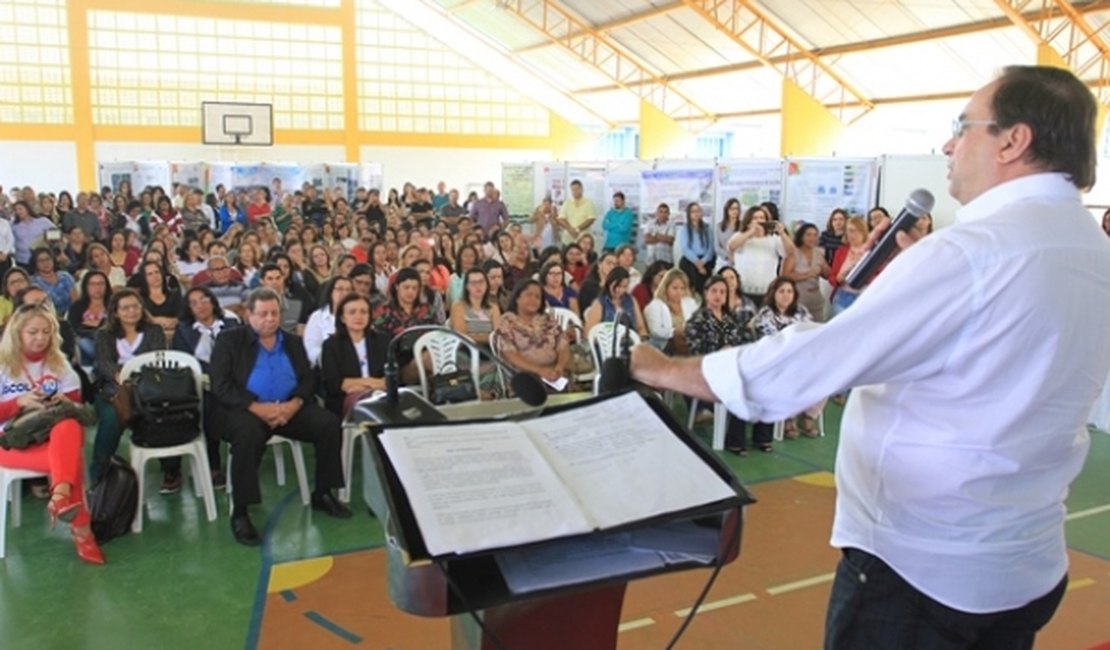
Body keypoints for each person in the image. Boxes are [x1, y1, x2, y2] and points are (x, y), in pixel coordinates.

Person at [628, 65, 1110, 648]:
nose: (948, 145)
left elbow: (815, 361)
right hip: (1021, 560)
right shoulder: (1092, 249)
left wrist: (663, 368)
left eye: (964, 126)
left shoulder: (971, 255)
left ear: (1014, 140)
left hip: (921, 571)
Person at [210, 288, 351, 546]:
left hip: (288, 408)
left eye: (274, 313)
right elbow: (221, 386)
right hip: (245, 411)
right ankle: (240, 512)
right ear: (248, 315)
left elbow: (309, 380)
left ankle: (323, 493)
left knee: (329, 424)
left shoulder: (292, 342)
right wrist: (257, 408)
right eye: (263, 314)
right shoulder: (230, 341)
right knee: (248, 435)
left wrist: (293, 404)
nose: (270, 319)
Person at [0, 304, 103, 564]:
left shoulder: (60, 365)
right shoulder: (2, 365)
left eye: (46, 332)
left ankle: (59, 497)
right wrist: (18, 403)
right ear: (17, 333)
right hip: (10, 443)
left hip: (53, 439)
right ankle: (81, 531)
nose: (40, 338)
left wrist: (62, 402)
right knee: (69, 465)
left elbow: (76, 409)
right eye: (33, 332)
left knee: (68, 425)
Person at [91, 289, 172, 486]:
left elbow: (156, 360)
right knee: (112, 416)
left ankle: (171, 468)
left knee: (162, 412)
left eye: (135, 306)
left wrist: (133, 376)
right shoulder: (104, 334)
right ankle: (99, 472)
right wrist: (120, 375)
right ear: (115, 312)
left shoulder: (154, 331)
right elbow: (104, 363)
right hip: (113, 390)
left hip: (148, 388)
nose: (131, 311)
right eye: (125, 308)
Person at [685, 275, 764, 455]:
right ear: (705, 294)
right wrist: (721, 351)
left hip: (734, 367)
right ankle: (735, 440)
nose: (718, 296)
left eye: (722, 292)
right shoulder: (696, 321)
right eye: (714, 291)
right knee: (738, 388)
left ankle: (762, 437)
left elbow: (746, 342)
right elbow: (697, 351)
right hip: (708, 371)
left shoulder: (732, 319)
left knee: (760, 384)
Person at [172, 286, 239, 488]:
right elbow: (183, 362)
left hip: (232, 382)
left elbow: (243, 353)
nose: (200, 306)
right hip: (202, 385)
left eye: (203, 299)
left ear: (212, 301)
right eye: (193, 303)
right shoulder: (184, 331)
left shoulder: (231, 323)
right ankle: (213, 465)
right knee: (209, 405)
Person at [495, 279, 569, 387]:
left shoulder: (548, 320)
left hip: (553, 372)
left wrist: (560, 366)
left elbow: (563, 346)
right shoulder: (508, 322)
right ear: (517, 298)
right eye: (528, 295)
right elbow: (510, 354)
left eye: (537, 297)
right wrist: (539, 370)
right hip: (524, 375)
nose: (533, 300)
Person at [727, 205, 794, 302]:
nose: (759, 221)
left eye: (762, 218)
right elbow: (731, 247)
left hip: (768, 291)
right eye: (755, 218)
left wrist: (782, 233)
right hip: (743, 290)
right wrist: (751, 231)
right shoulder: (740, 235)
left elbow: (790, 252)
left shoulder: (773, 238)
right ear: (748, 220)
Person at [582, 267, 647, 339]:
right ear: (609, 283)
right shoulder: (600, 303)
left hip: (629, 342)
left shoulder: (631, 300)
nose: (621, 290)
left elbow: (641, 327)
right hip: (606, 343)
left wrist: (642, 337)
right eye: (618, 286)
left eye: (624, 287)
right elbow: (588, 332)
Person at [643, 268, 697, 355]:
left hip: (689, 342)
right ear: (665, 287)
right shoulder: (655, 305)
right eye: (675, 288)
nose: (679, 292)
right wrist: (676, 332)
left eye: (682, 288)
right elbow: (656, 331)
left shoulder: (690, 302)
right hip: (665, 347)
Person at [783, 223, 831, 322]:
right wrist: (807, 275)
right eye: (808, 235)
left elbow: (827, 274)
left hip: (816, 300)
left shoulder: (819, 253)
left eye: (815, 235)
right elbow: (785, 276)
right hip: (798, 301)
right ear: (801, 236)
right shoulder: (794, 253)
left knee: (817, 331)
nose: (812, 238)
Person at [303, 276, 353, 367]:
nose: (344, 293)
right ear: (331, 292)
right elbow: (311, 349)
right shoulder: (318, 317)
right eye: (340, 289)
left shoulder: (356, 316)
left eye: (348, 290)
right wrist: (329, 360)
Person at [827, 217, 870, 317]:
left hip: (865, 297)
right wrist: (838, 278)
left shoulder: (871, 251)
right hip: (843, 296)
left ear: (863, 231)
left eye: (856, 230)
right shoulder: (841, 251)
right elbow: (832, 277)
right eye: (849, 230)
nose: (852, 234)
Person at [66, 270, 111, 366]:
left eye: (101, 284)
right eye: (92, 284)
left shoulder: (113, 304)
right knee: (83, 342)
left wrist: (92, 323)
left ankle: (101, 364)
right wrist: (101, 323)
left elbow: (115, 324)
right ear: (86, 286)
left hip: (109, 341)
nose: (97, 287)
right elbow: (73, 328)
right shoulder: (77, 306)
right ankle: (102, 363)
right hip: (87, 341)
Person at [450, 266, 501, 346]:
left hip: (489, 350)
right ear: (467, 287)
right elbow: (462, 336)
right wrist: (489, 337)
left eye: (481, 282)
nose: (478, 286)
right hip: (465, 349)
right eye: (473, 283)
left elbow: (498, 336)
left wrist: (476, 336)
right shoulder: (458, 306)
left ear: (487, 284)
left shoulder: (493, 308)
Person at [677, 202, 713, 296]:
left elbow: (710, 249)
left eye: (698, 211)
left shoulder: (707, 228)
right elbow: (685, 249)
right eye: (693, 211)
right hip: (690, 260)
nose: (696, 213)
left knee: (705, 287)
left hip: (705, 261)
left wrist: (703, 261)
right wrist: (698, 264)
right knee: (690, 286)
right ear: (689, 214)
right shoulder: (685, 229)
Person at [29, 248, 78, 317]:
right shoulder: (33, 282)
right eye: (41, 261)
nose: (45, 263)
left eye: (48, 259)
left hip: (70, 316)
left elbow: (75, 302)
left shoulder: (65, 276)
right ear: (35, 264)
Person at [558, 180, 596, 245]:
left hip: (583, 240)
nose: (574, 191)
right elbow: (561, 218)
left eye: (577, 189)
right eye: (572, 190)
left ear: (582, 189)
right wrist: (570, 230)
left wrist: (577, 229)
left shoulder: (589, 203)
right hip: (567, 239)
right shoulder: (567, 203)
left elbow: (591, 219)